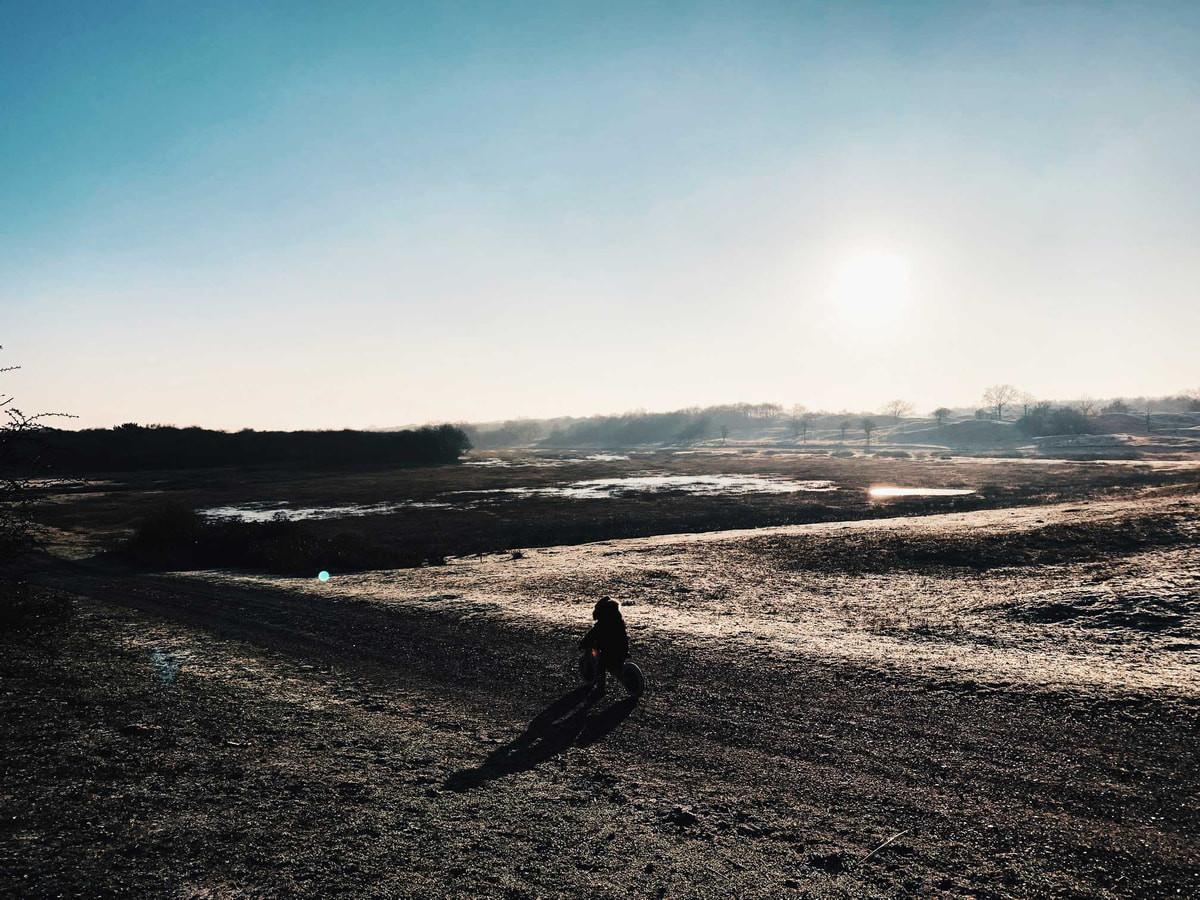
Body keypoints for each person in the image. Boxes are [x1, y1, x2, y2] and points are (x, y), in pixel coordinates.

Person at [578, 596, 629, 694]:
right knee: (615, 665)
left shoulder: (601, 625)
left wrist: (583, 644)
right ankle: (624, 676)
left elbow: (591, 636)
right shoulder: (619, 622)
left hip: (609, 651)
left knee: (601, 667)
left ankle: (600, 689)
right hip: (622, 649)